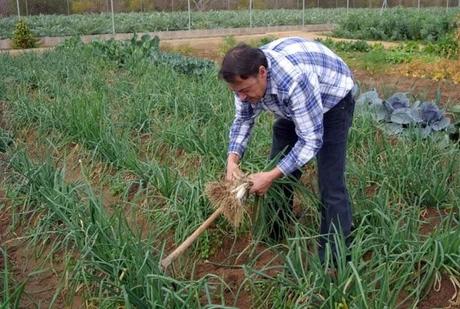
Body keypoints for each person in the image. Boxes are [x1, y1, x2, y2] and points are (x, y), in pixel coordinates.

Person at [219, 37, 355, 263]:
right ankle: (273, 235)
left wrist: (270, 176)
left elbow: (311, 140)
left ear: (262, 72)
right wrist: (232, 160)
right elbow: (243, 120)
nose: (241, 96)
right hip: (292, 107)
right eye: (236, 92)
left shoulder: (294, 80)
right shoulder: (245, 81)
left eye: (245, 90)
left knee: (330, 182)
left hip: (332, 101)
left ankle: (335, 257)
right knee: (279, 169)